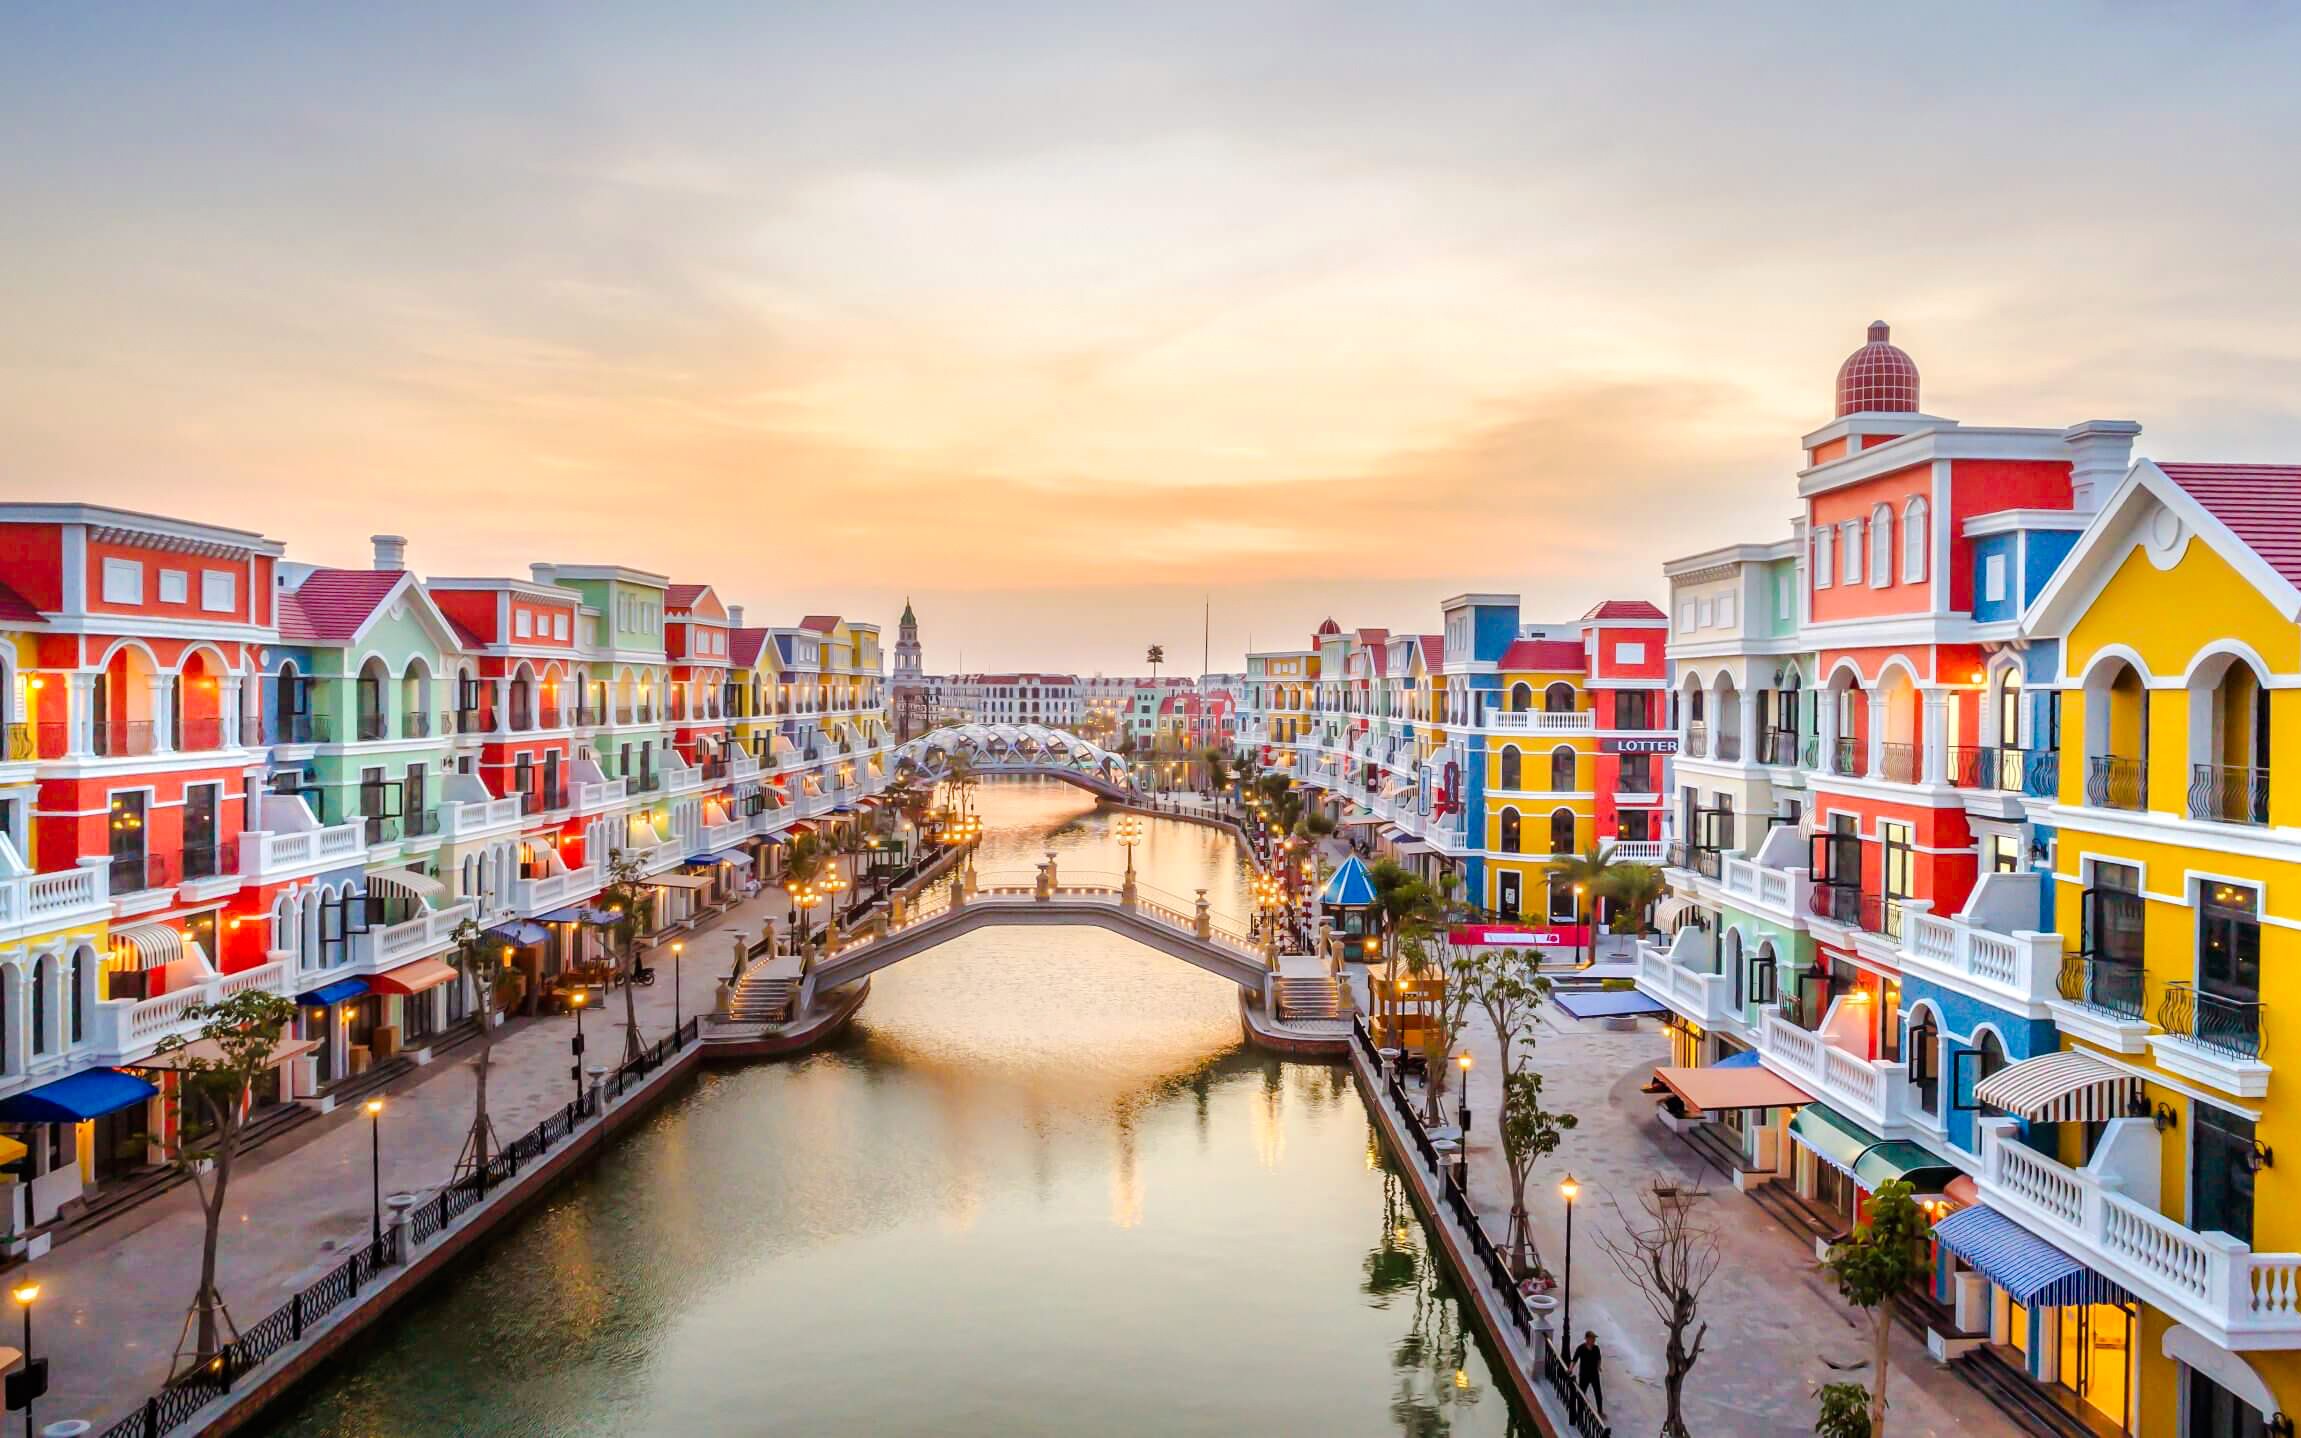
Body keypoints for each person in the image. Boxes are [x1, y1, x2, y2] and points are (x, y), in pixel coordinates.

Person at [1572, 1331, 1603, 1415]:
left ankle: (1600, 1411)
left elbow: (1599, 1358)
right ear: (1587, 1339)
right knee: (1582, 1393)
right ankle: (1580, 1412)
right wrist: (1570, 1369)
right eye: (1592, 1338)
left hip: (1594, 1375)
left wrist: (1599, 1366)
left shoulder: (1596, 1348)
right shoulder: (1581, 1348)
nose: (1593, 1340)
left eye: (1594, 1339)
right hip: (1584, 1375)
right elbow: (1574, 1359)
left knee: (1598, 1394)